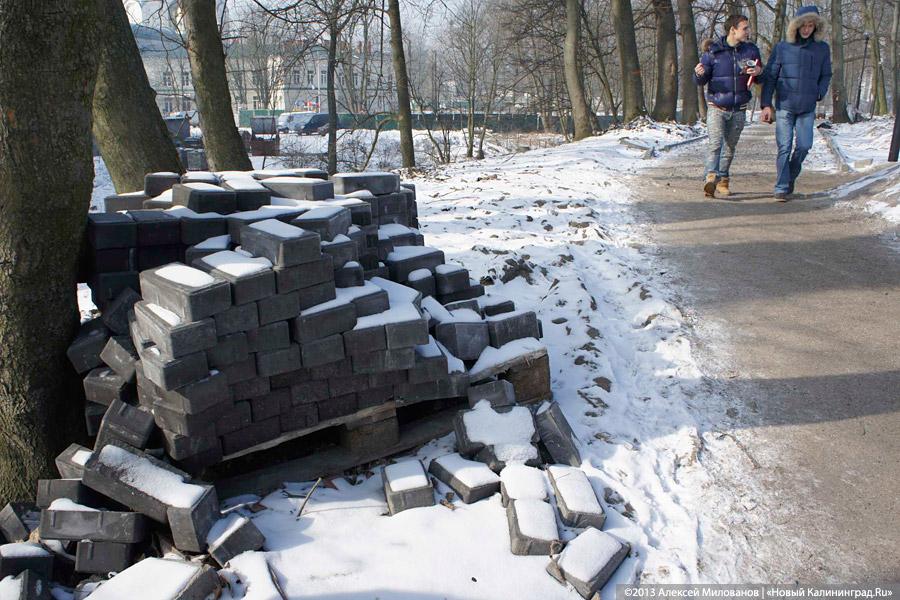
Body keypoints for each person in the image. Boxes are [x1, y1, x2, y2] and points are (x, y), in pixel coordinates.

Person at [760, 6, 832, 201]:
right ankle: (781, 187)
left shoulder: (822, 49)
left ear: (816, 27)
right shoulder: (782, 48)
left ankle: (790, 176)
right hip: (784, 106)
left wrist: (819, 92)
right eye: (804, 25)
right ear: (796, 26)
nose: (807, 29)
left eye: (811, 25)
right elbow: (771, 77)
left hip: (807, 107)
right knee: (784, 146)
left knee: (804, 146)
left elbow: (826, 75)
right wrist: (766, 104)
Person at [693, 14, 762, 199]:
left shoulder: (751, 51)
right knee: (715, 143)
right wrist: (699, 74)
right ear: (733, 29)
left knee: (730, 147)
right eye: (745, 28)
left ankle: (723, 179)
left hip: (739, 108)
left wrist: (758, 72)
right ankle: (710, 178)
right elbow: (700, 80)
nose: (748, 31)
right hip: (717, 106)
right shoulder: (713, 51)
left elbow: (761, 77)